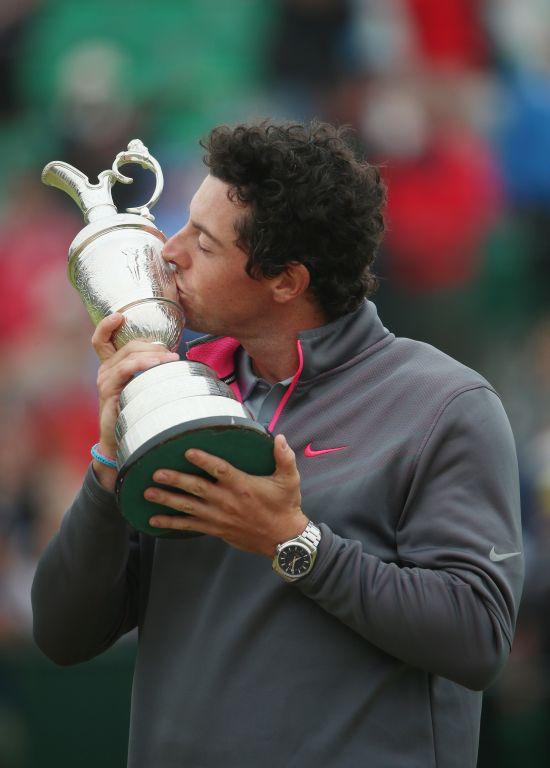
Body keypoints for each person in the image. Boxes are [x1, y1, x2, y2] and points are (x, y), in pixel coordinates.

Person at [32, 121, 523, 768]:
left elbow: (477, 639)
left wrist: (292, 542)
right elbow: (64, 634)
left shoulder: (443, 406)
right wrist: (111, 458)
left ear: (286, 281)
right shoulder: (179, 387)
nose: (168, 252)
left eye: (202, 245)